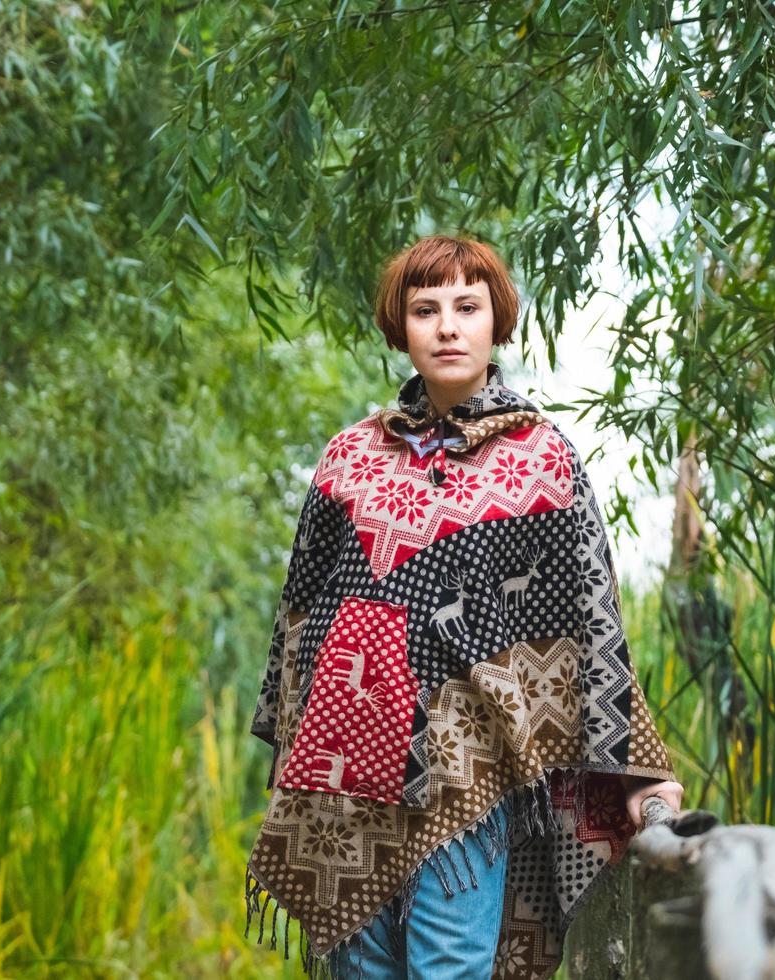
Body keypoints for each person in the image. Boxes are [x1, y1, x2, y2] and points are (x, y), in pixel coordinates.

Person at [244, 234, 684, 980]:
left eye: (466, 306)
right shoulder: (348, 456)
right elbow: (300, 614)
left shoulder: (540, 459)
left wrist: (636, 768)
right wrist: (297, 747)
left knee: (450, 965)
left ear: (495, 322)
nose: (447, 326)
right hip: (347, 767)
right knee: (362, 971)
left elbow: (589, 622)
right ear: (400, 327)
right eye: (426, 309)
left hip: (469, 767)